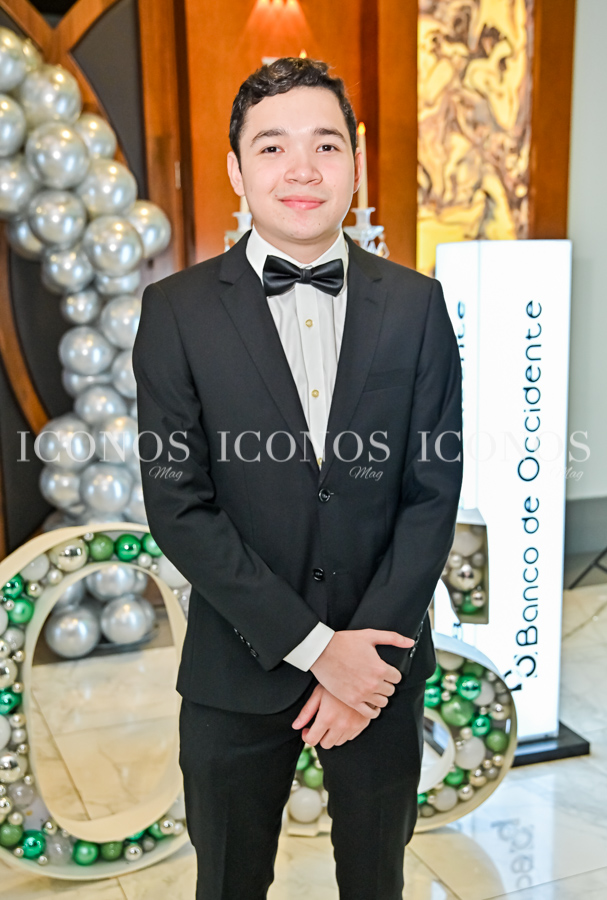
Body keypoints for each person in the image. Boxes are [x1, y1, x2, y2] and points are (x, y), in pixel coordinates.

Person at [132, 56, 463, 900]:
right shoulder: (175, 311)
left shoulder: (417, 304)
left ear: (355, 163)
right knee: (229, 881)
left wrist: (363, 662)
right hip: (236, 667)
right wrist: (317, 651)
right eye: (272, 147)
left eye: (325, 144)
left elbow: (432, 492)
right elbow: (178, 503)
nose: (302, 169)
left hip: (381, 667)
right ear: (237, 170)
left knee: (376, 880)